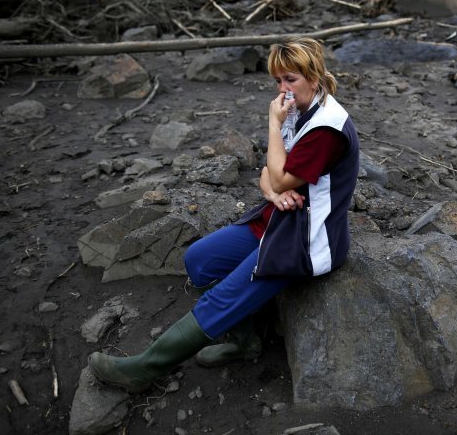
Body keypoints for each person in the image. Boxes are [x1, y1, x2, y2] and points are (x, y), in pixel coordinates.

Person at [89, 38, 360, 392]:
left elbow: (277, 173)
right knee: (199, 259)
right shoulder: (303, 109)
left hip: (307, 238)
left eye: (290, 79)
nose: (282, 90)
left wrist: (273, 128)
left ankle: (144, 369)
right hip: (280, 217)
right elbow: (268, 176)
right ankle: (244, 340)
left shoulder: (326, 126)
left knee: (222, 297)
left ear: (313, 76)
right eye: (278, 81)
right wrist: (271, 192)